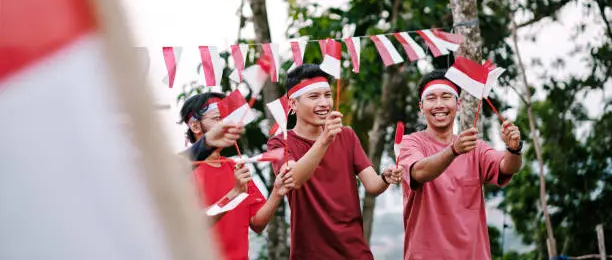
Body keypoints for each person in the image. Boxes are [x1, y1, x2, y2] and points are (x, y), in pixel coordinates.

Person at [268, 64, 403, 260]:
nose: (324, 103)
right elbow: (293, 179)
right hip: (310, 254)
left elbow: (373, 185)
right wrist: (325, 140)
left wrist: (385, 177)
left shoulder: (346, 134)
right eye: (314, 97)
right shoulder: (280, 142)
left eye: (327, 95)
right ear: (293, 104)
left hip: (355, 252)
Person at [398, 69, 523, 260]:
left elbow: (508, 167)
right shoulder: (411, 143)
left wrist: (514, 148)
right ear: (421, 107)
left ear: (458, 104)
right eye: (431, 98)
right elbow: (418, 171)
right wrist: (453, 150)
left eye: (446, 97)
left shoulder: (476, 147)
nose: (439, 105)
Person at [180, 92, 294, 260]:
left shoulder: (234, 166)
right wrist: (234, 194)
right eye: (218, 119)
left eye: (228, 119)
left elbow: (257, 223)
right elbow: (192, 224)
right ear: (195, 127)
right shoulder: (185, 171)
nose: (226, 126)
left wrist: (277, 191)